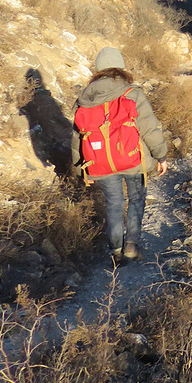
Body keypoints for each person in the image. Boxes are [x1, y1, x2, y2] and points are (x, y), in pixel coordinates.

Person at [71, 47, 169, 262]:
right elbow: (149, 128)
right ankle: (132, 246)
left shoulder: (85, 99)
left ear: (97, 70)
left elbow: (78, 136)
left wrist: (80, 169)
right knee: (136, 199)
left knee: (113, 204)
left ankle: (116, 252)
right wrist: (161, 156)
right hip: (133, 159)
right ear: (121, 68)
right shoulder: (132, 94)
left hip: (100, 163)